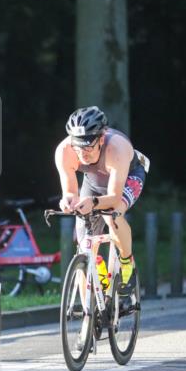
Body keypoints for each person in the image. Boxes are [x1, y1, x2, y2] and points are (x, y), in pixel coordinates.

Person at [54, 106, 149, 296]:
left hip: (128, 177)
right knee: (83, 239)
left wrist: (94, 202)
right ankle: (94, 285)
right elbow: (70, 192)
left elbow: (113, 197)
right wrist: (68, 201)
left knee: (113, 215)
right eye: (78, 146)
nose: (82, 153)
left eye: (88, 146)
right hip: (94, 182)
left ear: (101, 139)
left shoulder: (117, 148)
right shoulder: (64, 151)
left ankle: (126, 263)